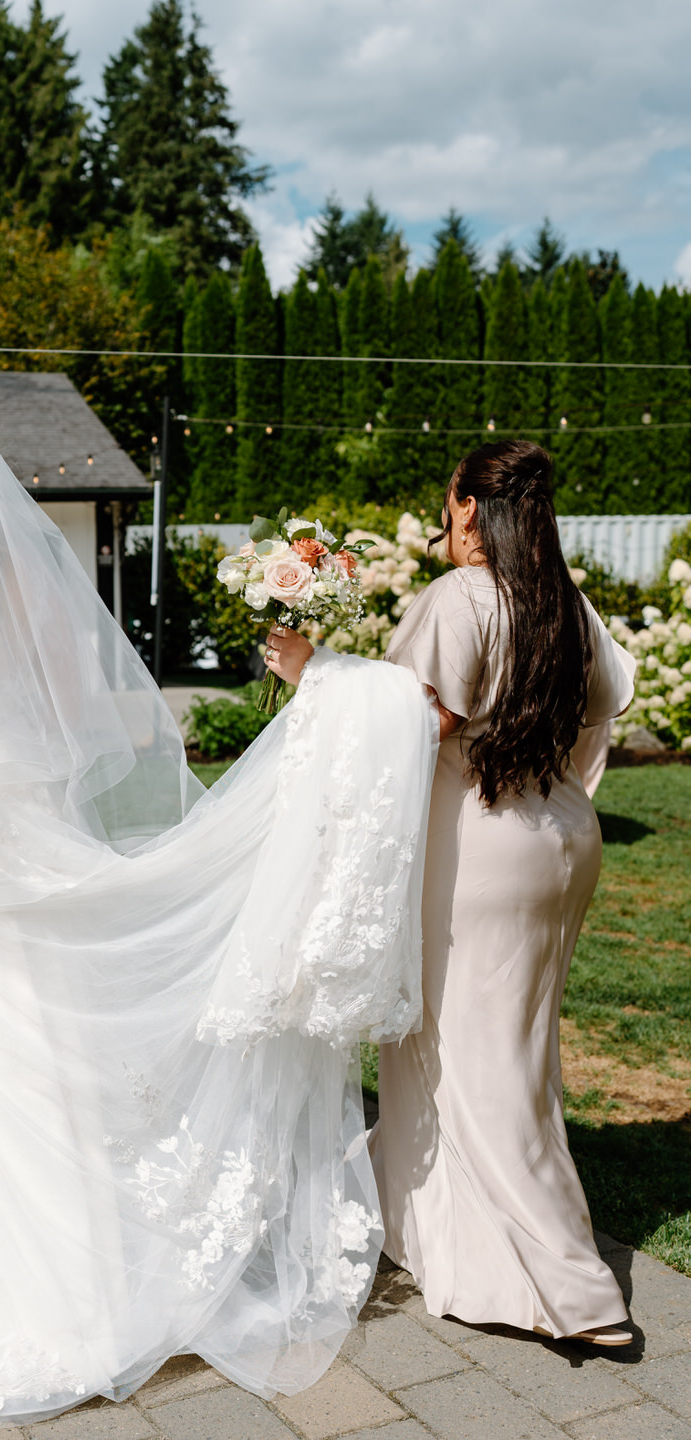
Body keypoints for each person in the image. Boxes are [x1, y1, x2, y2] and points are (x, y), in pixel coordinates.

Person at [0, 379, 438, 1426]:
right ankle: (88, 1282)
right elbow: (73, 701)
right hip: (6, 812)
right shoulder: (14, 557)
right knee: (31, 1039)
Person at [266, 440, 635, 1346]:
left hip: (483, 845)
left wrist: (315, 672)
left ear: (469, 506)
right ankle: (428, 1227)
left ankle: (574, 1291)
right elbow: (603, 708)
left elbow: (421, 720)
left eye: (449, 500)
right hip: (563, 837)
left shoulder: (462, 597)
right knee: (509, 1045)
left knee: (476, 1057)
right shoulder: (566, 602)